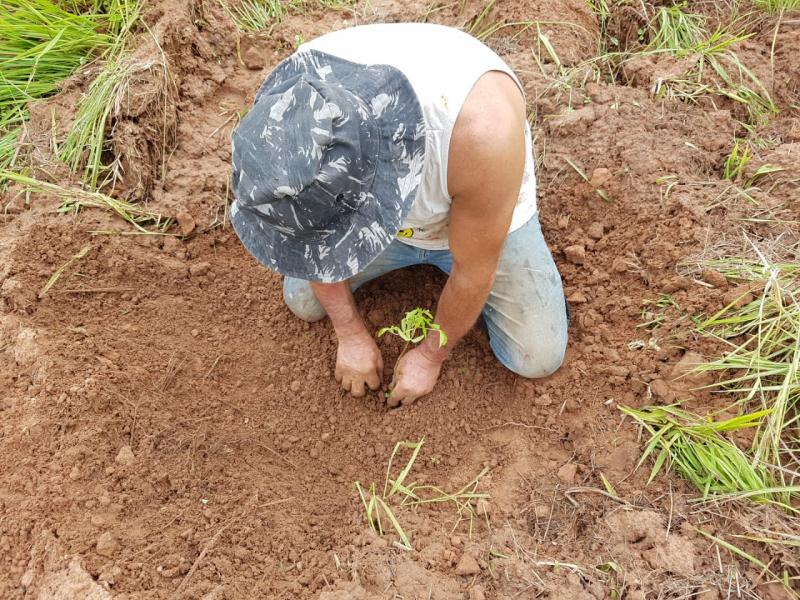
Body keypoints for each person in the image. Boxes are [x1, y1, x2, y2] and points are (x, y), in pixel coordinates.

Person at [230, 23, 568, 407]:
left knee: (537, 357)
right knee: (304, 300)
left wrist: (429, 356)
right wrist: (350, 332)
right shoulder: (290, 107)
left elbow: (474, 272)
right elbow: (305, 240)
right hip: (390, 210)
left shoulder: (480, 136)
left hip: (475, 206)